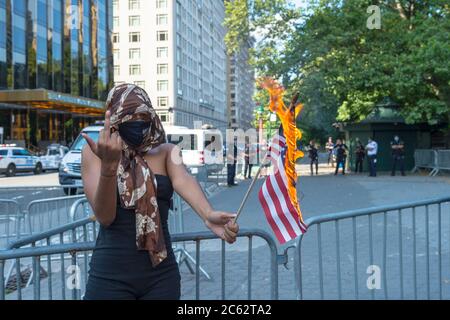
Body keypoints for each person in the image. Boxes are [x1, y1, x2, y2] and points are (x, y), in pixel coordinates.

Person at [81, 84, 239, 300]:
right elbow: (105, 217)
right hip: (110, 276)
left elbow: (183, 179)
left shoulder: (166, 152)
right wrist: (109, 167)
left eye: (143, 118)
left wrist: (208, 215)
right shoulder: (95, 153)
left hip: (161, 276)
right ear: (115, 120)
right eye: (129, 120)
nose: (137, 125)